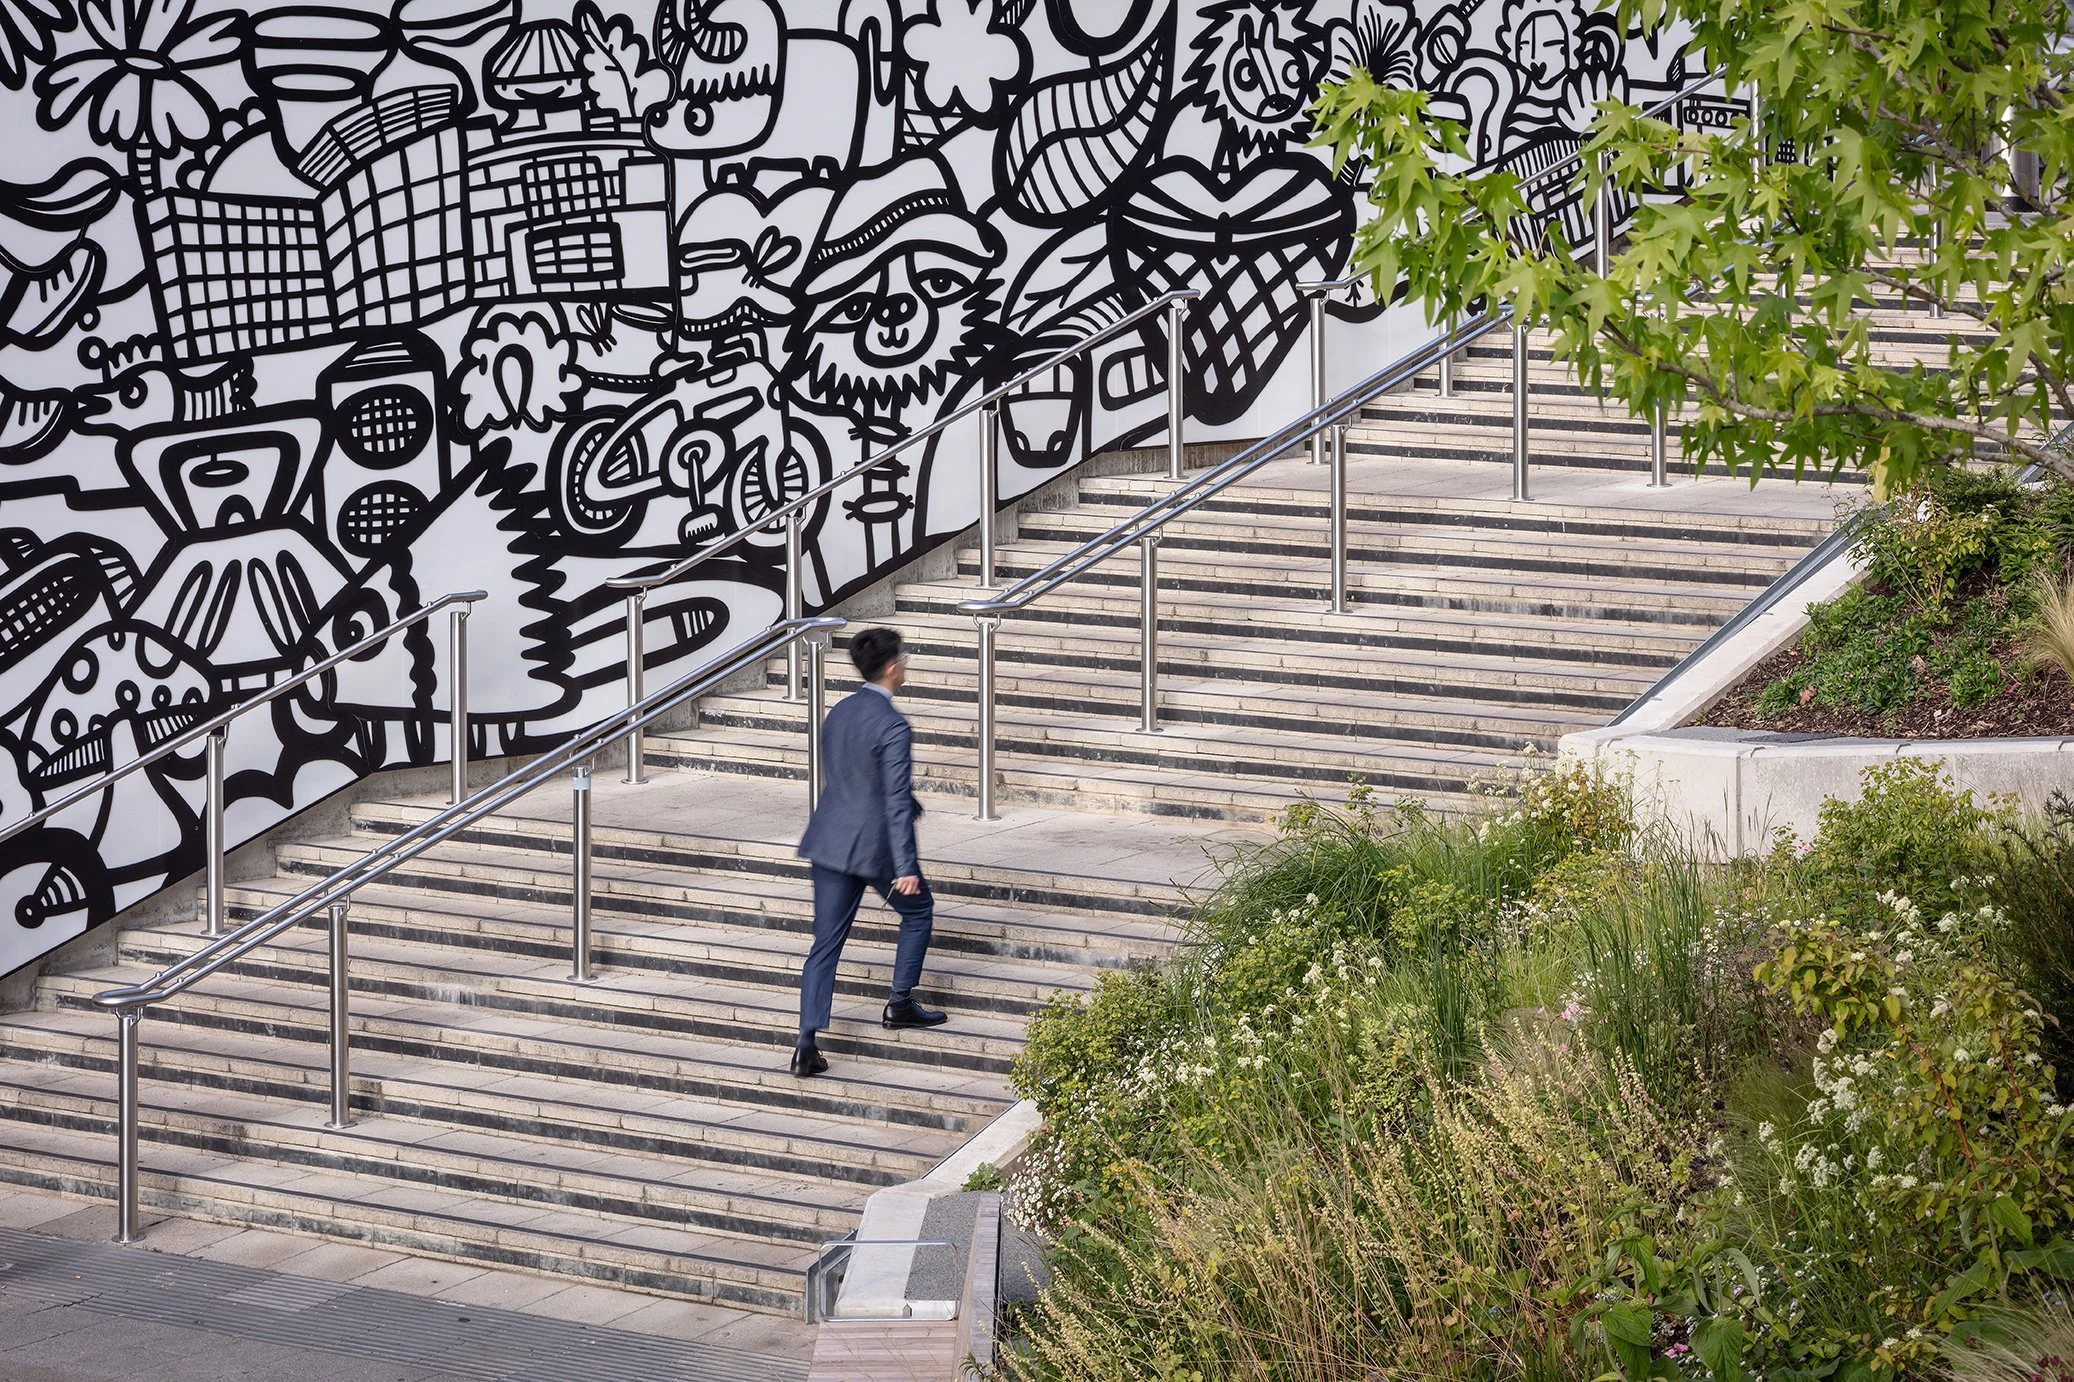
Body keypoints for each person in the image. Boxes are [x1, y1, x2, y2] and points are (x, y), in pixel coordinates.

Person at [791, 627, 947, 1077]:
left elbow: (854, 774)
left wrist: (908, 802)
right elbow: (893, 799)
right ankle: (899, 1003)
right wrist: (906, 867)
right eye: (905, 659)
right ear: (893, 668)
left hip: (829, 839)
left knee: (825, 942)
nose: (906, 665)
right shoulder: (893, 724)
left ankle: (806, 1043)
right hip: (874, 847)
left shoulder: (839, 710)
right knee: (918, 910)